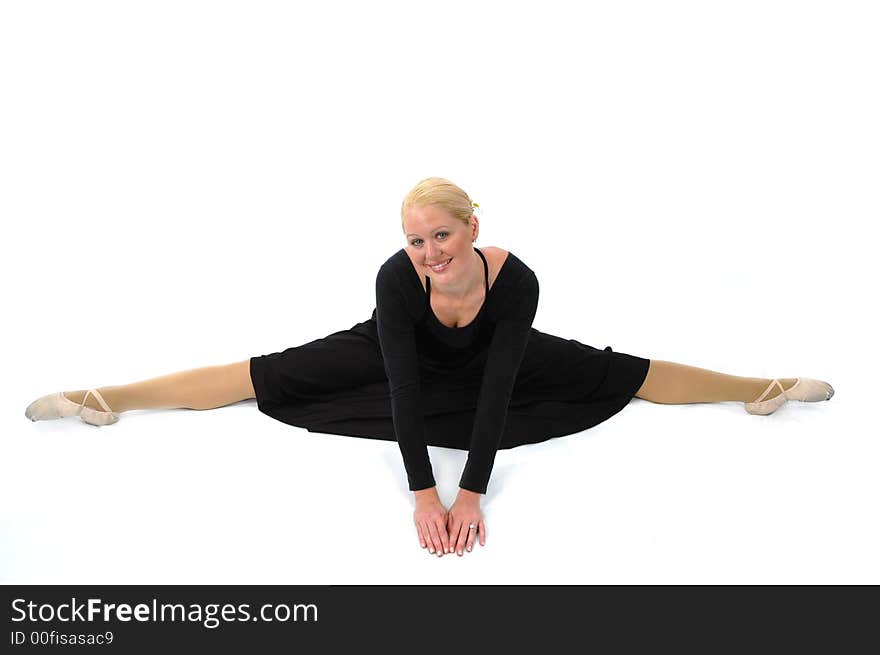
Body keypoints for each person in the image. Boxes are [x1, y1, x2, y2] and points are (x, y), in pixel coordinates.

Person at [25, 176, 835, 558]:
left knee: (610, 370)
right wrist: (424, 493)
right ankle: (106, 397)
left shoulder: (514, 281)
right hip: (396, 345)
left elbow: (496, 387)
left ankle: (758, 388)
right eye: (416, 241)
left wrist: (471, 489)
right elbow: (405, 388)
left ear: (472, 227)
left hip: (492, 353)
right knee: (269, 372)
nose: (429, 254)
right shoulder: (395, 281)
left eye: (441, 237)